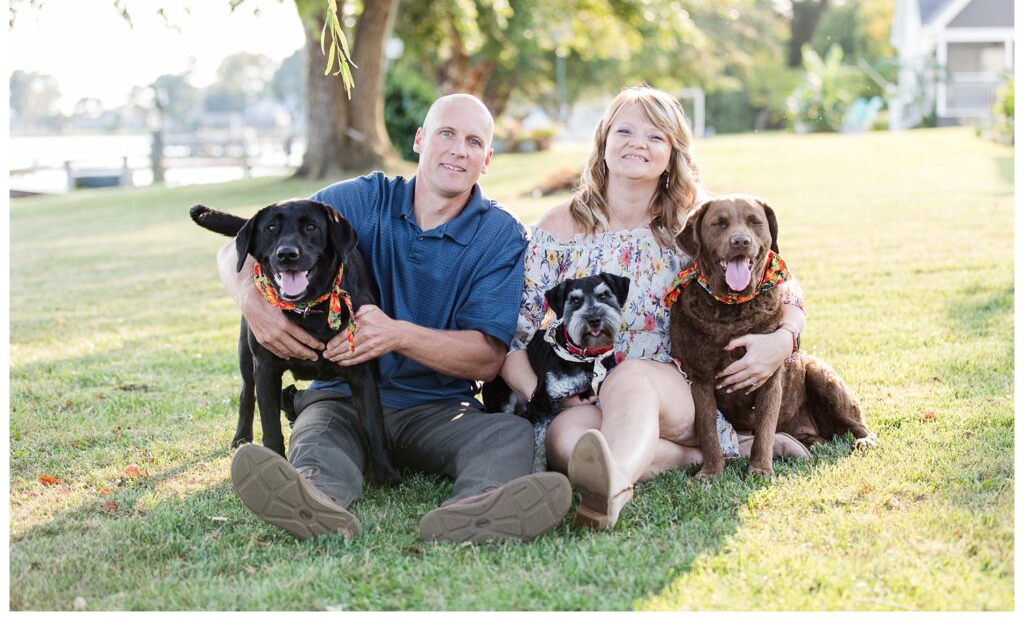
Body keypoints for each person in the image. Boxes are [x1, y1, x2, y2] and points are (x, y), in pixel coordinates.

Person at [217, 94, 571, 543]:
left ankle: (476, 510)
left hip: (439, 411)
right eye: (446, 133)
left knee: (508, 433)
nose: (458, 150)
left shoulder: (500, 236)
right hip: (340, 397)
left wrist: (396, 335)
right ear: (420, 140)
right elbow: (252, 239)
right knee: (318, 441)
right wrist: (252, 302)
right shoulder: (364, 199)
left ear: (487, 160)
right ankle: (314, 501)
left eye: (474, 142)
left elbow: (485, 360)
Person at [499, 85, 810, 529]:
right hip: (588, 389)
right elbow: (516, 334)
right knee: (568, 443)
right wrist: (548, 397)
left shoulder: (698, 223)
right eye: (624, 130)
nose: (637, 143)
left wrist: (783, 340)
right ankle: (715, 452)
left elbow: (788, 291)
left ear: (672, 153)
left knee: (632, 377)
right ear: (604, 142)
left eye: (655, 136)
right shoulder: (560, 225)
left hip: (677, 387)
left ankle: (616, 488)